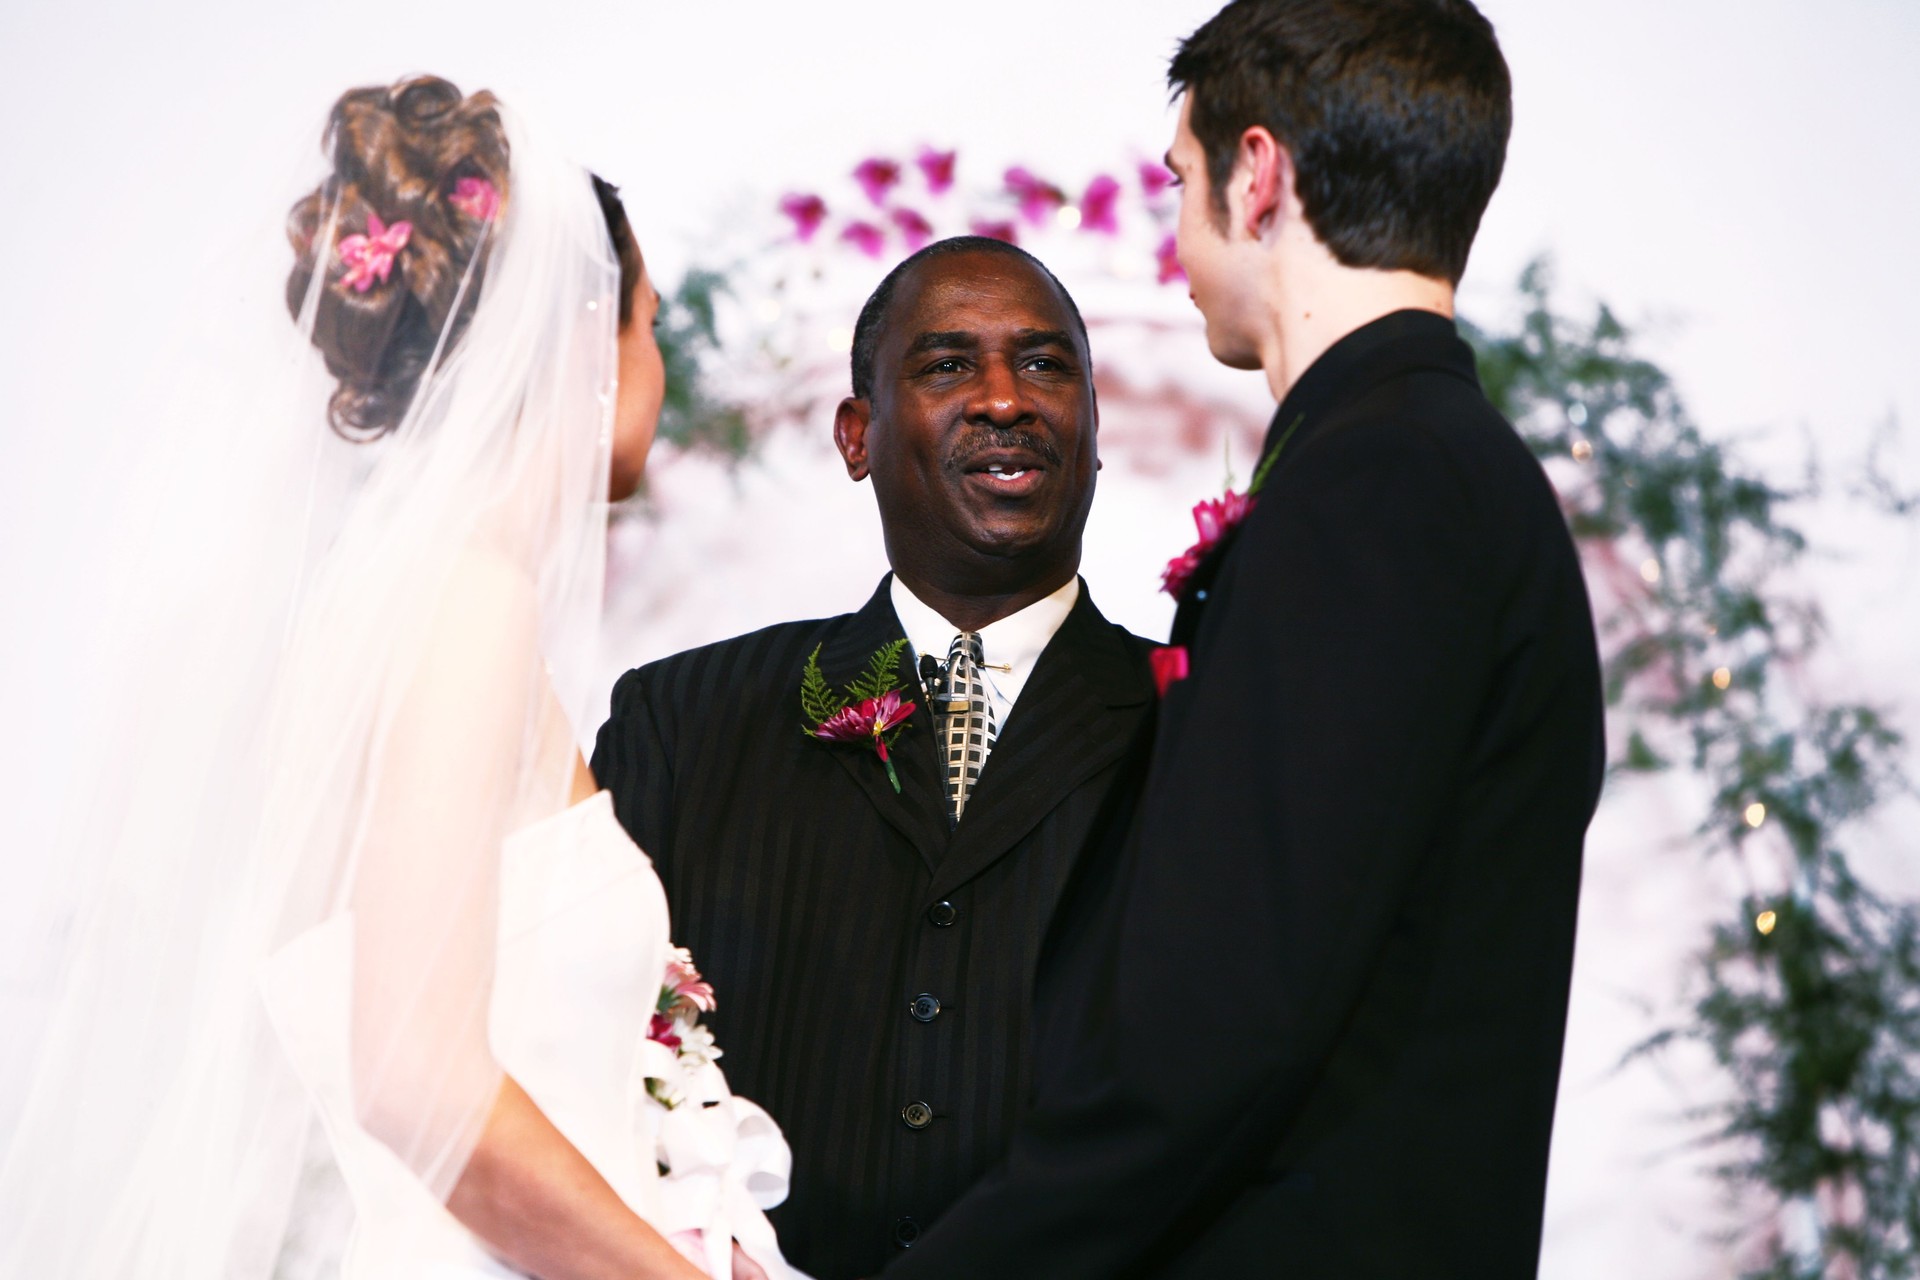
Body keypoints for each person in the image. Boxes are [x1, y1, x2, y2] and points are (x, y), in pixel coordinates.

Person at [0, 77, 796, 1280]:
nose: (655, 365)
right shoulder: (462, 600)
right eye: (643, 323)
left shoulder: (402, 601)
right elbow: (418, 1083)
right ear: (586, 332)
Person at [884, 2, 1605, 1276]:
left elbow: (1220, 1024)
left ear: (1257, 175)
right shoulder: (1437, 467)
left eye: (1180, 178)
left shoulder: (1379, 487)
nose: (1175, 232)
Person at [592, 236, 1158, 1280]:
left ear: (1093, 430)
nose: (1004, 399)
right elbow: (588, 1059)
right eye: (947, 365)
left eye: (1045, 364)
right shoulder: (685, 718)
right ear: (856, 436)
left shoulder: (1196, 717)